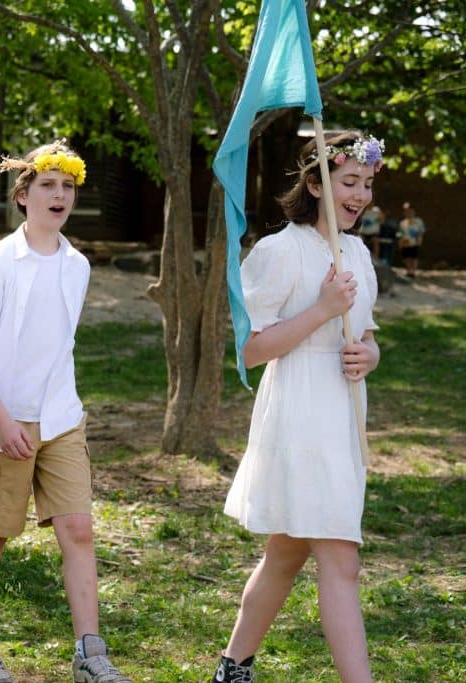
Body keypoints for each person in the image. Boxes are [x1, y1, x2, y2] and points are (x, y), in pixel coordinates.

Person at [210, 131, 382, 683]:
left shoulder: (355, 251)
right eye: (348, 182)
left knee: (285, 554)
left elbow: (369, 334)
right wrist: (323, 309)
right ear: (315, 185)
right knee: (341, 560)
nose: (360, 194)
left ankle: (232, 667)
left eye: (367, 184)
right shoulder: (278, 251)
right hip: (299, 411)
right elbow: (252, 349)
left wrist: (367, 356)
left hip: (343, 410)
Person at [0, 142, 129, 683]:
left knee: (78, 530)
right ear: (23, 196)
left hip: (60, 419)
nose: (60, 196)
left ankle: (90, 656)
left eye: (68, 187)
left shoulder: (77, 266)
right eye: (48, 186)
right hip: (1, 419)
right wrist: (5, 422)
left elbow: (59, 345)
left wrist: (59, 412)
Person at [398, 201, 425, 278]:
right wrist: (400, 242)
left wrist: (420, 239)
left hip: (414, 242)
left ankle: (413, 271)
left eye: (410, 211)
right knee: (406, 257)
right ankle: (408, 270)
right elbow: (400, 233)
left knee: (414, 257)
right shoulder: (402, 223)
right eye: (407, 211)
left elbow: (421, 231)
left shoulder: (418, 221)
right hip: (405, 243)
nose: (409, 212)